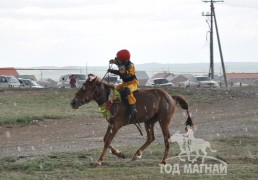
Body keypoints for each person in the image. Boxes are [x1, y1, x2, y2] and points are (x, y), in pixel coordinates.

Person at [108, 49, 139, 115]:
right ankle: (116, 101)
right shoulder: (121, 62)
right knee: (115, 88)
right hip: (125, 83)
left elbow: (122, 73)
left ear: (124, 60)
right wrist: (112, 61)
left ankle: (133, 107)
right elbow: (116, 61)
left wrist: (112, 71)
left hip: (133, 83)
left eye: (119, 60)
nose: (118, 61)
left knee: (127, 90)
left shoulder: (130, 67)